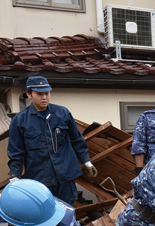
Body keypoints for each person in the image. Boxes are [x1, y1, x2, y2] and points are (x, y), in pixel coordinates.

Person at [8, 76, 96, 206]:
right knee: (43, 216)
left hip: (65, 177)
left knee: (66, 214)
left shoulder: (63, 114)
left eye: (47, 93)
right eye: (39, 94)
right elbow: (16, 151)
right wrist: (14, 177)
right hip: (38, 179)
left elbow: (77, 140)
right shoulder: (20, 120)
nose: (44, 97)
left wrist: (87, 162)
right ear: (29, 94)